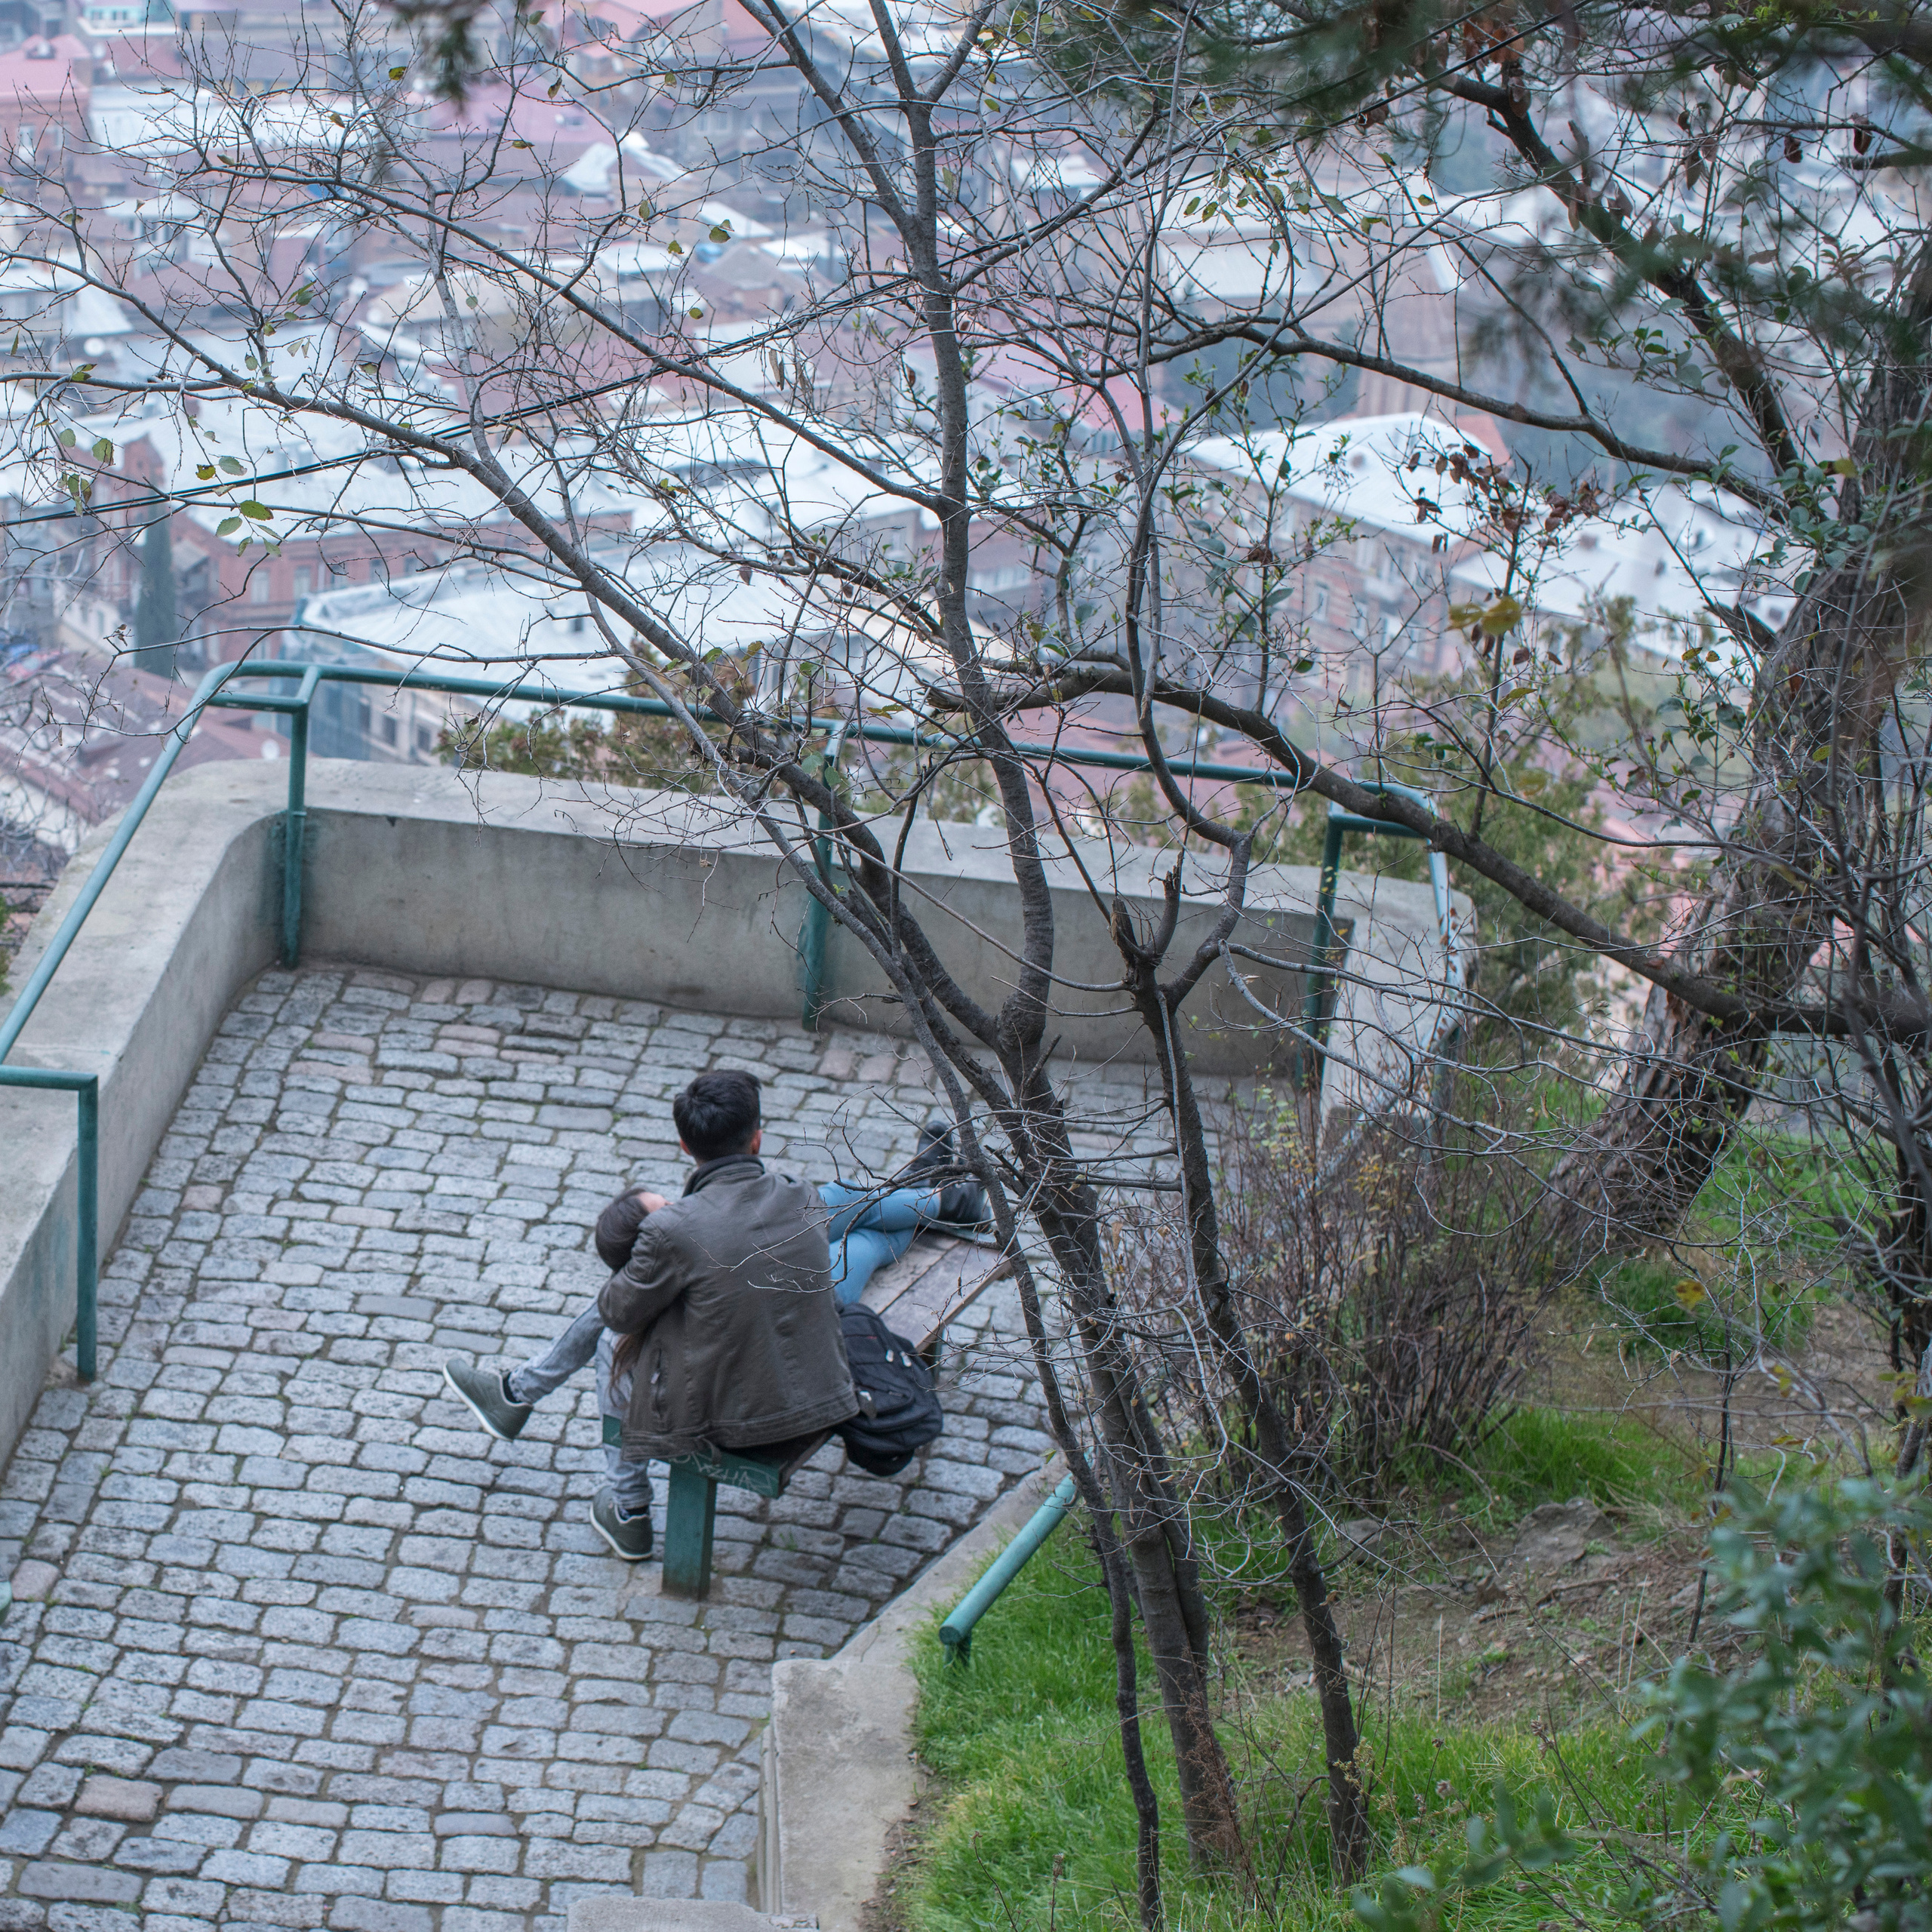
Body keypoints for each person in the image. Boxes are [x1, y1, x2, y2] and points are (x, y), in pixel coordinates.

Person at [443, 1075, 986, 1560]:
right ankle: (939, 1195)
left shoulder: (677, 1231)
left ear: (684, 1146)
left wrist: (652, 1253)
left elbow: (615, 1310)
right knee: (858, 1232)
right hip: (822, 1388)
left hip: (743, 1417)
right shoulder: (795, 1193)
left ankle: (624, 1501)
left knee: (616, 1340)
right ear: (758, 1137)